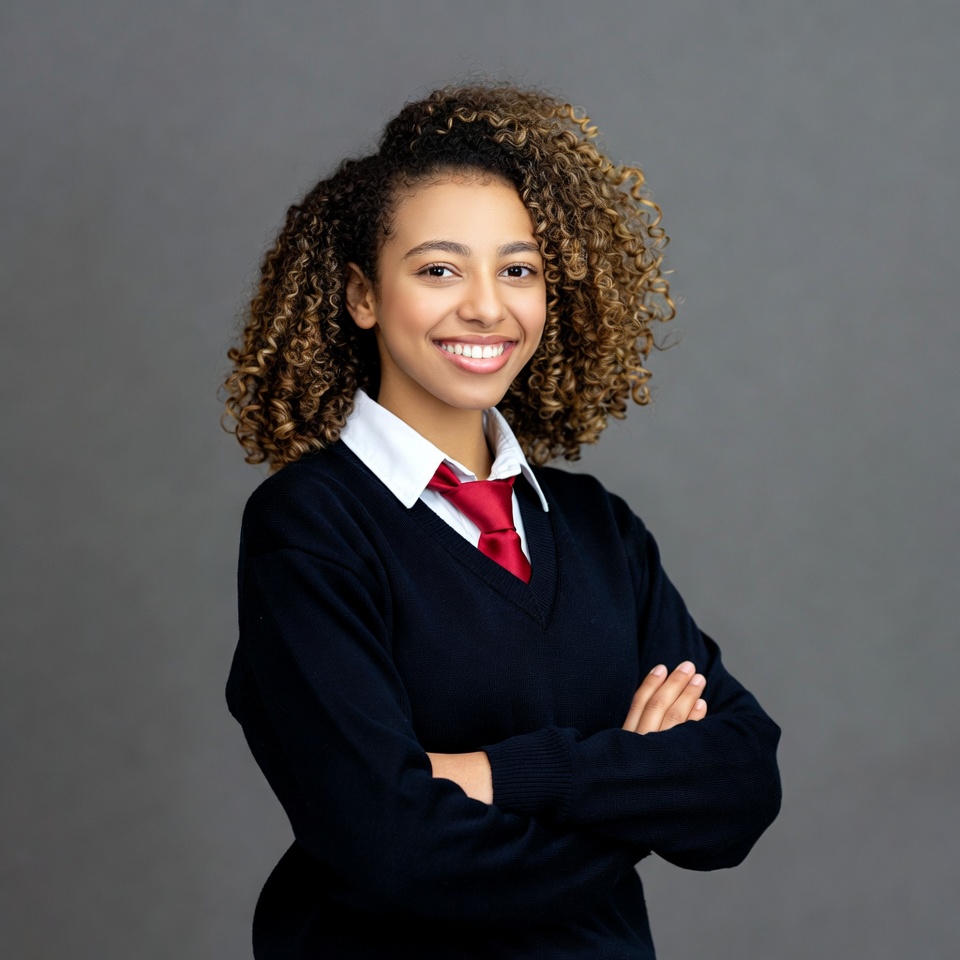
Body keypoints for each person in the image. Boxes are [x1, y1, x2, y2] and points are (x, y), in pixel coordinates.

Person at [222, 82, 781, 959]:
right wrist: (635, 784)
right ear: (363, 295)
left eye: (517, 269)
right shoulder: (312, 528)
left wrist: (493, 775)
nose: (487, 306)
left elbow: (741, 787)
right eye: (439, 269)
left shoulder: (600, 529)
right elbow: (395, 852)